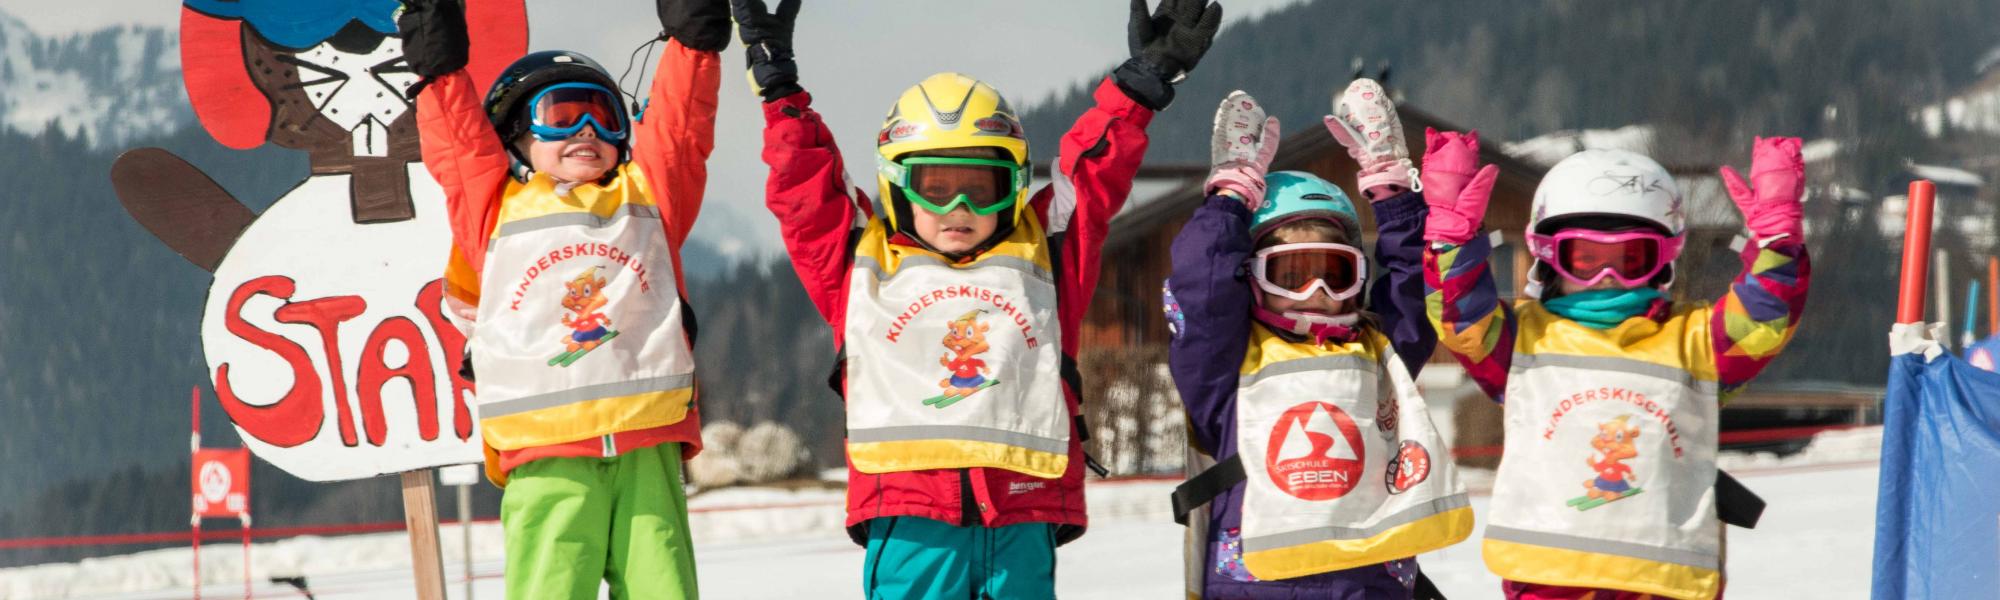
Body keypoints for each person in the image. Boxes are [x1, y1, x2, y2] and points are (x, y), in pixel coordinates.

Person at [728, 0, 1220, 596]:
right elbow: (804, 189)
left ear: (1011, 186)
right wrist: (780, 88)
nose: (958, 211)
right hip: (912, 523)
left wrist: (1140, 87)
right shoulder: (859, 263)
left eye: (979, 189)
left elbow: (1092, 175)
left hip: (1023, 514)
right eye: (935, 189)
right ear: (898, 186)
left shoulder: (1046, 256)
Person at [399, 0, 728, 596]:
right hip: (545, 456)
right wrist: (436, 61)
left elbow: (681, 129)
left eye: (602, 115)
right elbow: (456, 142)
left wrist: (693, 46)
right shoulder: (493, 210)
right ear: (517, 138)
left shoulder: (648, 197)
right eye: (562, 115)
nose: (586, 132)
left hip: (645, 447)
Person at [1424, 133, 1811, 599]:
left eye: (1630, 259)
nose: (1607, 278)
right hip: (1551, 580)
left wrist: (1778, 245)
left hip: (1664, 584)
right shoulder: (1520, 341)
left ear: (1664, 259)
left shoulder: (1697, 343)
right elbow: (1458, 313)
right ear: (1548, 258)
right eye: (1586, 258)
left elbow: (1762, 320)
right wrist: (1450, 240)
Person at [1163, 84, 1472, 599]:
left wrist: (1392, 189)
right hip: (1256, 582)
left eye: (1334, 272)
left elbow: (1411, 287)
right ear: (1251, 277)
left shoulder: (1378, 355)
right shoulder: (1226, 365)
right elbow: (1204, 287)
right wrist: (1230, 196)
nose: (1317, 293)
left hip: (1368, 583)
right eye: (1291, 273)